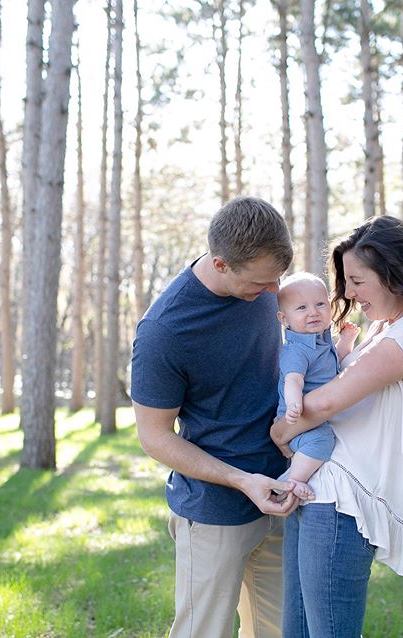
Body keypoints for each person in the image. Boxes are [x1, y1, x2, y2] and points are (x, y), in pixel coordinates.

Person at [270, 215, 403, 637]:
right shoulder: (384, 330)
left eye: (357, 280)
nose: (346, 293)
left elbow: (325, 400)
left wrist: (279, 433)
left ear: (395, 274)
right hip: (317, 491)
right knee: (297, 630)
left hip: (344, 504)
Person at [130, 196, 299, 638]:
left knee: (282, 630)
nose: (273, 293)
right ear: (221, 264)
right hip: (214, 512)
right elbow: (154, 438)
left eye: (276, 279)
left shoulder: (263, 285)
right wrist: (243, 480)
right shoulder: (164, 331)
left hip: (283, 493)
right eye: (261, 284)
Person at [275, 272, 359, 500]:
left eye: (320, 304)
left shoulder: (322, 341)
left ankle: (292, 476)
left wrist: (346, 341)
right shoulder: (296, 349)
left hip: (314, 418)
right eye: (301, 308)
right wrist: (294, 405)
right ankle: (293, 480)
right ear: (284, 319)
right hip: (297, 420)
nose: (313, 312)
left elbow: (336, 364)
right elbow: (293, 380)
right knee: (322, 439)